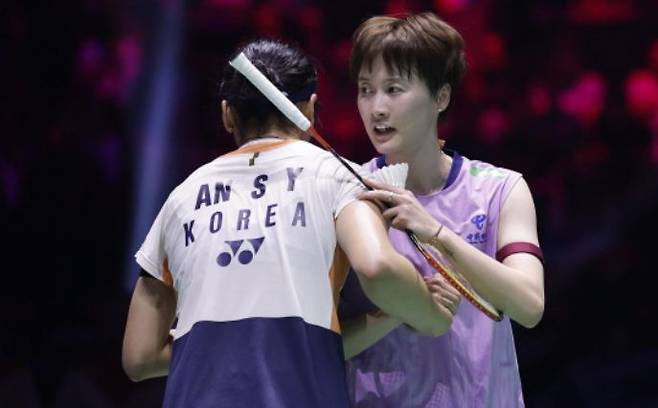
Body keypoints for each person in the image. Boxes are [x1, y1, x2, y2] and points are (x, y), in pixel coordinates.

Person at [121, 38, 458, 408]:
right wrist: (427, 311)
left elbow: (139, 357)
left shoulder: (181, 198)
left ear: (227, 114)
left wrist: (223, 349)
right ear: (309, 109)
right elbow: (377, 266)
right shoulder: (337, 177)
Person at [340, 12, 545, 407]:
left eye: (394, 89)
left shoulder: (499, 190)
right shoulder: (346, 193)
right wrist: (404, 306)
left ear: (441, 97)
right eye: (366, 89)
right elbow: (321, 347)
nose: (376, 107)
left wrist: (436, 232)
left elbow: (529, 305)